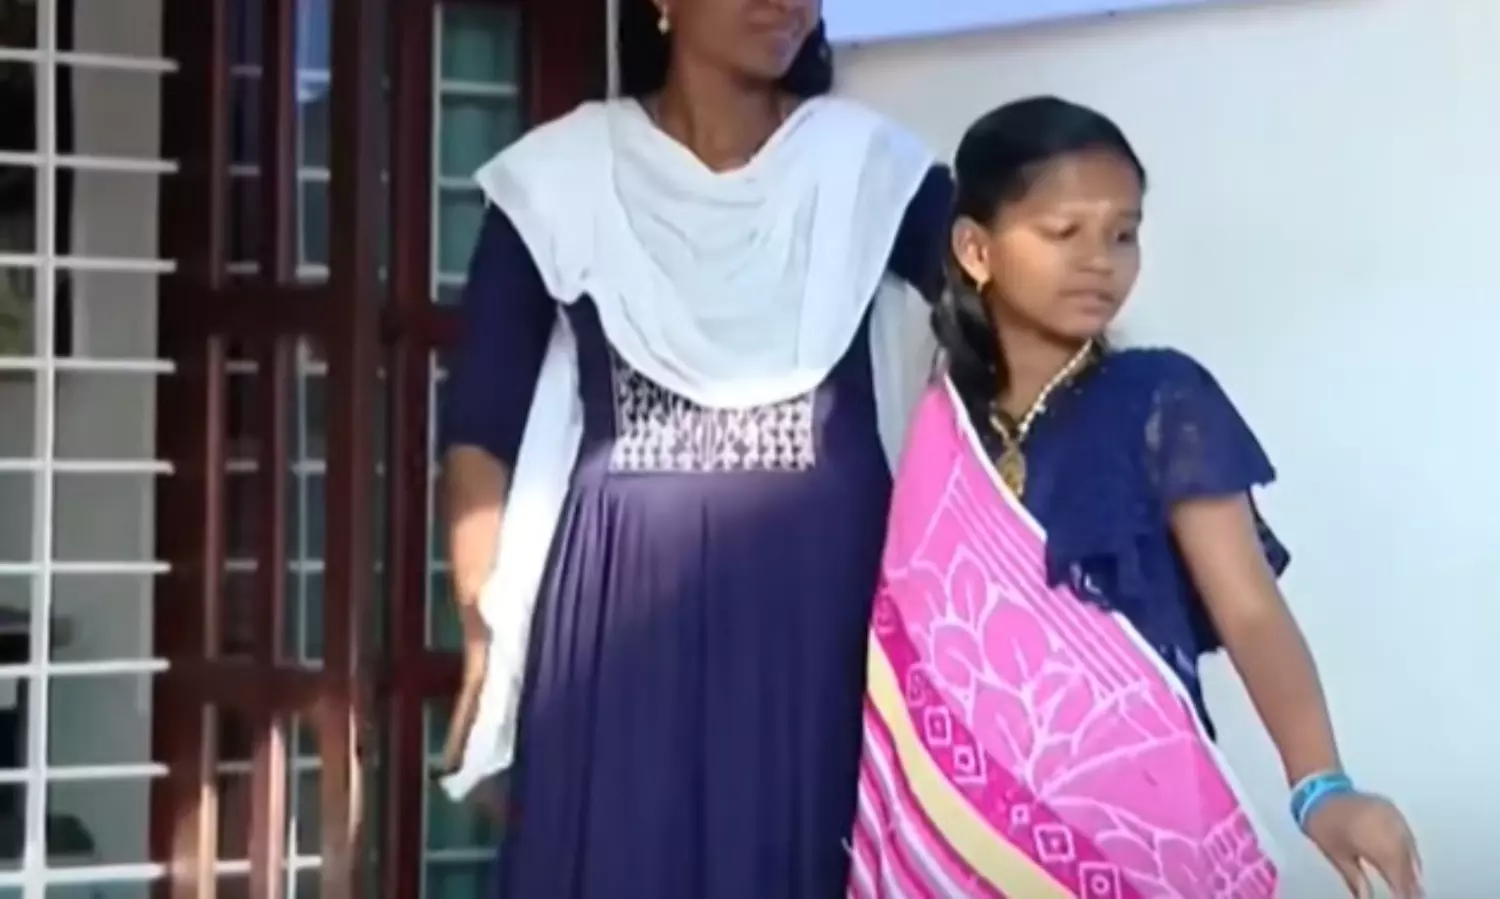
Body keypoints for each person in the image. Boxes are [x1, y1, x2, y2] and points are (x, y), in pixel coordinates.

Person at [434, 0, 953, 895]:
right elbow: (483, 423)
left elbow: (1002, 321)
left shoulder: (869, 165)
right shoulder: (564, 173)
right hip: (617, 603)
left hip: (824, 601)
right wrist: (483, 622)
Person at [849, 96, 1422, 899]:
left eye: (1124, 233)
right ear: (976, 248)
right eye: (1065, 232)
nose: (1101, 261)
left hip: (1136, 842)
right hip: (956, 848)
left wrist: (1321, 785)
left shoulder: (1158, 398)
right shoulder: (945, 428)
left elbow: (1250, 610)